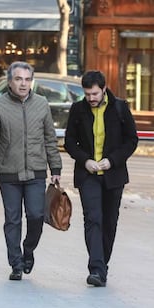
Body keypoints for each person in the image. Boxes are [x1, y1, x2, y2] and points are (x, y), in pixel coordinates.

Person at [0, 61, 62, 281]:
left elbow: (50, 139)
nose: (23, 83)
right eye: (18, 79)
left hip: (36, 172)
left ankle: (28, 249)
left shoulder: (42, 104)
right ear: (9, 81)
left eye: (27, 79)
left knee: (36, 216)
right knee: (12, 219)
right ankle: (16, 262)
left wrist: (56, 167)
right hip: (9, 173)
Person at [64, 70, 138, 287]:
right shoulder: (78, 109)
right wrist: (85, 160)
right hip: (88, 175)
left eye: (95, 94)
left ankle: (102, 265)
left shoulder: (120, 108)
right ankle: (96, 269)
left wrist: (112, 160)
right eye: (87, 94)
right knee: (93, 218)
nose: (91, 98)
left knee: (109, 222)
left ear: (104, 89)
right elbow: (69, 141)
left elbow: (131, 140)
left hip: (113, 175)